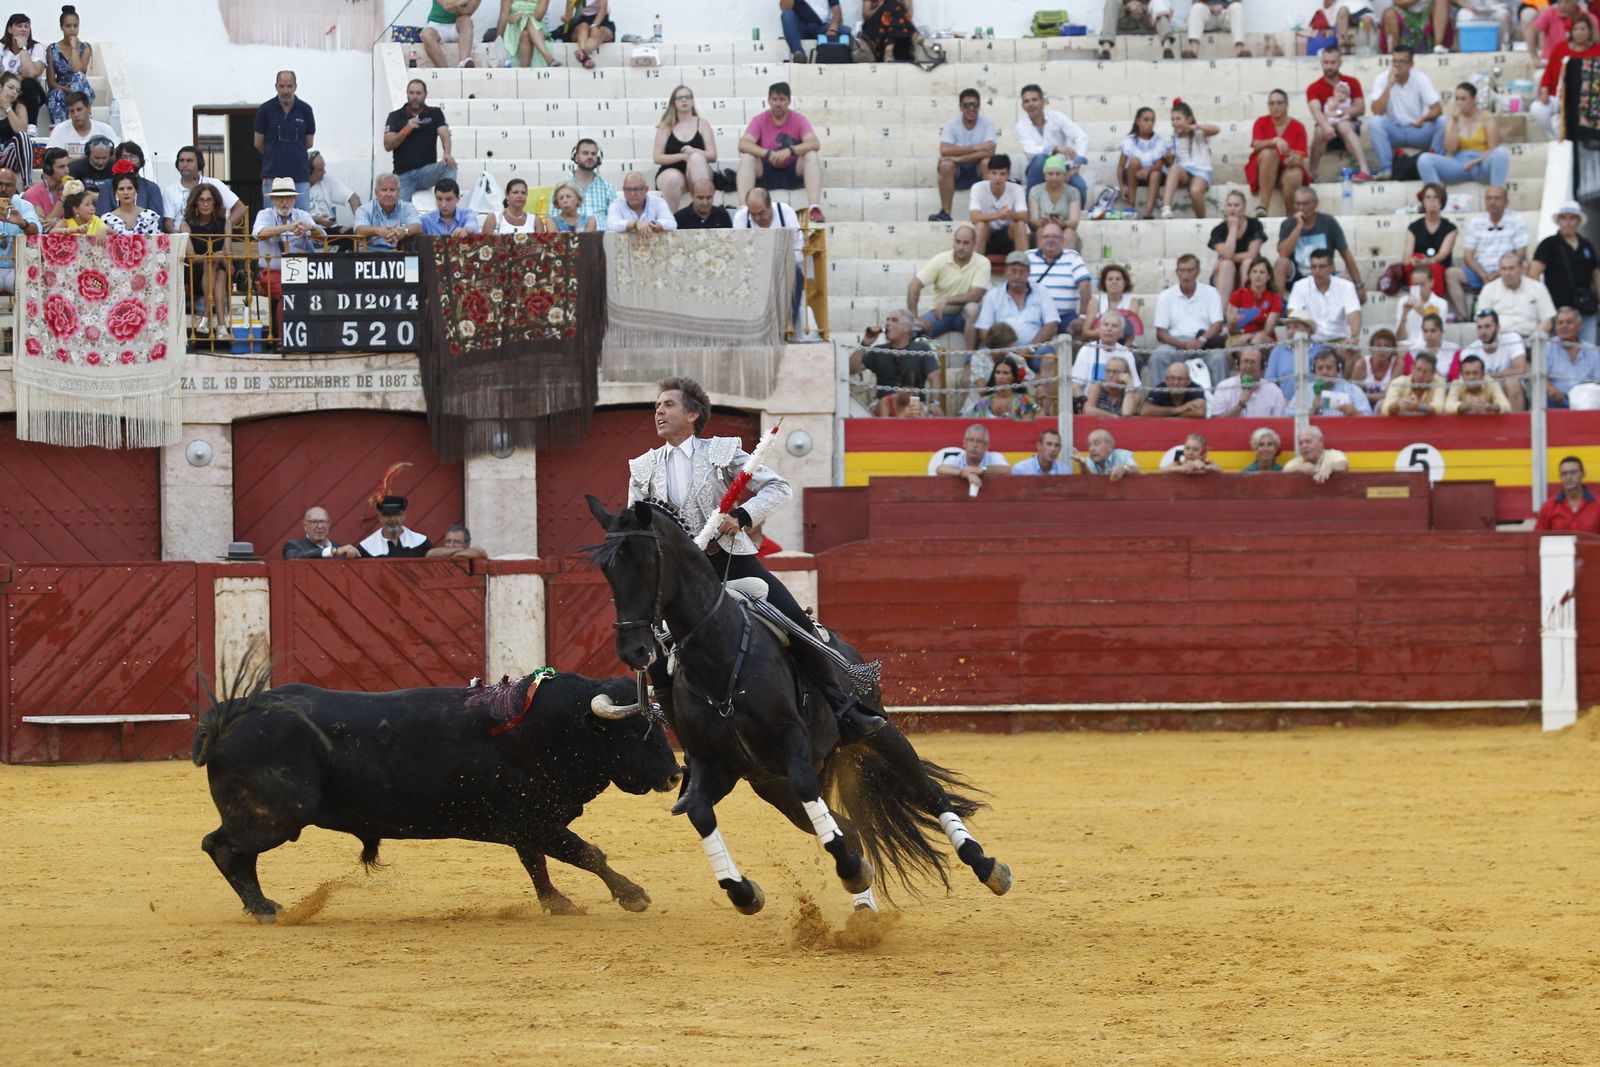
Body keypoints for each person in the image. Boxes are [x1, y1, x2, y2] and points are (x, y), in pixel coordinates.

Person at [631, 376, 887, 741]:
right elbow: (635, 524)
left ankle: (841, 706)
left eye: (668, 404)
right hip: (678, 581)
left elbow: (778, 487)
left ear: (692, 414)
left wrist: (742, 516)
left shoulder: (720, 452)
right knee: (651, 649)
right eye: (656, 405)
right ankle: (688, 739)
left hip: (728, 563)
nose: (659, 411)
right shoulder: (644, 467)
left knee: (796, 624)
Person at [736, 82, 823, 223]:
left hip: (792, 170)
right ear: (769, 100)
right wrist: (767, 154)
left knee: (811, 155)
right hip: (766, 169)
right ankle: (743, 209)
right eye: (774, 99)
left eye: (782, 99)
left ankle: (814, 207)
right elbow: (743, 144)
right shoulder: (759, 120)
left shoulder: (799, 119)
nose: (778, 104)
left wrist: (790, 150)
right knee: (747, 157)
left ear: (789, 101)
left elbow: (814, 143)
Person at [252, 176, 325, 339]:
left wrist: (311, 228)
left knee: (321, 290)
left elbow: (323, 238)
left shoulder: (302, 215)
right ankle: (284, 339)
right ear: (272, 199)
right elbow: (260, 233)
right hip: (271, 272)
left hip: (299, 272)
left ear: (294, 199)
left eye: (288, 197)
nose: (284, 202)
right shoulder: (264, 214)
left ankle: (317, 337)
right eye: (280, 198)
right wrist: (288, 228)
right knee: (288, 292)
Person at [1448, 185, 1529, 323]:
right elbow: (1468, 256)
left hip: (1507, 270)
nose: (1493, 202)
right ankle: (1464, 316)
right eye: (1489, 198)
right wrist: (1483, 275)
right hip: (1481, 272)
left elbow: (1520, 254)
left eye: (1497, 198)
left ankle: (1520, 312)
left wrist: (1500, 272)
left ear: (1506, 201)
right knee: (1451, 273)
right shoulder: (1476, 221)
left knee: (1526, 266)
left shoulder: (1517, 220)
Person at [1148, 253, 1226, 389]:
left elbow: (1218, 325)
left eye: (1190, 270)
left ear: (1198, 271)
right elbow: (1161, 333)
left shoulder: (1211, 292)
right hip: (1175, 344)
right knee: (1158, 356)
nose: (1185, 275)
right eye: (1182, 270)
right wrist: (1183, 344)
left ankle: (1221, 399)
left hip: (1204, 342)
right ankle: (1159, 398)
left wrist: (1201, 340)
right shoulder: (1166, 296)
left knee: (1219, 357)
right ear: (1177, 272)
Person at [1367, 46, 1443, 181]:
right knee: (1374, 123)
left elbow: (1437, 109)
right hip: (1395, 130)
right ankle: (1387, 169)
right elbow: (1377, 111)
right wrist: (1389, 85)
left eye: (1402, 62)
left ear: (1411, 64)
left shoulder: (1420, 78)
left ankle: (1434, 165)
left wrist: (1424, 119)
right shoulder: (1382, 78)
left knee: (1444, 121)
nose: (1397, 65)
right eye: (1394, 61)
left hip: (1418, 129)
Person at [1529, 200, 1600, 343]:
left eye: (1572, 218)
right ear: (1559, 221)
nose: (1568, 222)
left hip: (1585, 309)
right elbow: (1533, 275)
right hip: (1558, 310)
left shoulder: (1586, 245)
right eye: (1564, 218)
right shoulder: (1548, 244)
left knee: (1587, 348)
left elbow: (1596, 275)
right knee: (1559, 349)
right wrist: (1545, 305)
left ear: (1578, 222)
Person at [733, 187, 805, 326]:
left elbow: (797, 250)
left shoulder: (785, 212)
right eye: (753, 214)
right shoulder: (741, 217)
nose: (757, 218)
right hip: (753, 270)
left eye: (762, 213)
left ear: (770, 206)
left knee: (796, 274)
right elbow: (740, 252)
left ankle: (788, 325)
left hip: (783, 266)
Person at [975, 251, 1059, 368]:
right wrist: (1002, 350)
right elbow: (984, 330)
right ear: (1006, 271)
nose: (1017, 276)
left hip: (1034, 350)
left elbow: (1052, 325)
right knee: (975, 357)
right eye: (1013, 271)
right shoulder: (993, 295)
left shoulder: (1042, 291)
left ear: (1028, 273)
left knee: (1048, 356)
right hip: (1000, 351)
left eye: (1021, 272)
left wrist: (1029, 348)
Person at [1418, 83, 1510, 189]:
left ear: (1474, 99)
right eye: (1457, 99)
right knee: (1424, 159)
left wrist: (1474, 162)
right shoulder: (1452, 119)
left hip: (1481, 164)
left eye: (1463, 99)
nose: (1459, 103)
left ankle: (1497, 192)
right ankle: (1436, 196)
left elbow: (1493, 149)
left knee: (1502, 152)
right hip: (1459, 164)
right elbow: (1451, 149)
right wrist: (1455, 122)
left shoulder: (1487, 117)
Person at [849, 308, 939, 416]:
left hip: (913, 403)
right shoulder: (878, 350)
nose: (888, 323)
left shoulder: (922, 348)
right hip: (884, 405)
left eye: (894, 320)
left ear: (906, 327)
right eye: (887, 320)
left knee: (917, 410)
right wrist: (865, 344)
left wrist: (934, 403)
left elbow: (934, 378)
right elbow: (851, 369)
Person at [1275, 186, 1363, 297]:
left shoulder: (1328, 222)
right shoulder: (1288, 224)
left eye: (1305, 204)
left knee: (1347, 280)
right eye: (1298, 204)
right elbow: (1283, 253)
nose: (1301, 208)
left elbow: (1346, 254)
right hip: (1298, 276)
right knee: (1281, 263)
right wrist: (1298, 226)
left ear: (1315, 204)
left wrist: (1359, 285)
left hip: (1325, 273)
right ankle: (1276, 304)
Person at [908, 224, 987, 347]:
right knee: (912, 333)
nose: (961, 247)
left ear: (974, 245)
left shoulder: (982, 262)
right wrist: (914, 318)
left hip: (964, 316)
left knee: (973, 309)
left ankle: (970, 357)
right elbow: (914, 285)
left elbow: (976, 295)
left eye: (966, 243)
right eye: (958, 242)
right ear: (953, 242)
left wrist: (946, 300)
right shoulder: (940, 259)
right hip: (941, 314)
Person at [933, 88, 997, 223]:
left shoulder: (988, 124)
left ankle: (988, 212)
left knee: (987, 162)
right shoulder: (951, 124)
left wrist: (958, 157)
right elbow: (944, 150)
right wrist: (975, 147)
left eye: (974, 105)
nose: (971, 109)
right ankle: (945, 213)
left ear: (979, 106)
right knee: (945, 165)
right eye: (967, 105)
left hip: (978, 171)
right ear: (960, 107)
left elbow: (989, 152)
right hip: (958, 172)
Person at [386, 79, 456, 202]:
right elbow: (388, 145)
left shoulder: (435, 113)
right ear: (407, 94)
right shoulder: (395, 116)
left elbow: (445, 135)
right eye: (411, 93)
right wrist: (406, 129)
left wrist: (447, 154)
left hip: (426, 173)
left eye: (418, 93)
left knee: (450, 165)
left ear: (425, 94)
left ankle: (447, 205)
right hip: (403, 176)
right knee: (398, 210)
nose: (414, 97)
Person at [1014, 84, 1089, 199]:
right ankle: (1031, 206)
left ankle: (1077, 211)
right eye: (1026, 101)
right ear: (1023, 106)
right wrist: (1055, 149)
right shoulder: (1021, 125)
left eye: (1034, 100)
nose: (1031, 104)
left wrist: (1077, 164)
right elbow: (1029, 149)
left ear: (1043, 102)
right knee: (1041, 158)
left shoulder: (1057, 117)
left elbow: (1081, 136)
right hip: (1037, 169)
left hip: (1062, 166)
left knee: (1079, 186)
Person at [1531, 14, 1600, 139]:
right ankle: (1555, 139)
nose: (1579, 33)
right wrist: (1544, 90)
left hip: (1588, 99)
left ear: (1589, 31)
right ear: (1571, 32)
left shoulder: (1597, 50)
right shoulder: (1560, 48)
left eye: (1583, 29)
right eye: (1576, 29)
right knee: (1537, 108)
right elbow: (1548, 73)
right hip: (1559, 97)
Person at [254, 71, 315, 211]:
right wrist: (275, 153)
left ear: (295, 87)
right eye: (282, 86)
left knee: (302, 218)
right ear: (276, 86)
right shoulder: (265, 110)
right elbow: (258, 142)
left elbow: (309, 142)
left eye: (289, 86)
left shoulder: (305, 110)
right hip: (272, 176)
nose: (285, 91)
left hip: (299, 175)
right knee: (272, 217)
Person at [1306, 47, 1370, 180]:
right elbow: (1315, 111)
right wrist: (1326, 126)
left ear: (1340, 63)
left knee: (1343, 126)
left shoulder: (1352, 82)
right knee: (1320, 130)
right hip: (1327, 131)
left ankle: (1365, 170)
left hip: (1348, 128)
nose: (1329, 66)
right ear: (1321, 63)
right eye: (1326, 62)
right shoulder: (1314, 87)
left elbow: (1360, 108)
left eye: (1333, 62)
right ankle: (1311, 173)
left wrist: (1337, 113)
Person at [652, 84, 717, 213]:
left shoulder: (702, 123)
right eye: (680, 98)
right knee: (673, 178)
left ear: (692, 101)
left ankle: (703, 214)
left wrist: (694, 152)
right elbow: (657, 157)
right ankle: (670, 219)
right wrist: (682, 156)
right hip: (670, 171)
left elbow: (712, 155)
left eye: (687, 97)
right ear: (674, 103)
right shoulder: (665, 126)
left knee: (696, 158)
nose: (684, 100)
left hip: (698, 170)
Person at [181, 182, 233, 342]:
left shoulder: (225, 223)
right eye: (201, 200)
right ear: (195, 202)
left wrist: (218, 257)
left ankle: (206, 316)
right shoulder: (186, 225)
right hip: (195, 274)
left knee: (219, 270)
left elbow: (228, 255)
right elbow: (191, 257)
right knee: (211, 264)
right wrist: (212, 256)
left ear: (215, 202)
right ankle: (222, 326)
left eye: (209, 200)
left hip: (223, 268)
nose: (205, 204)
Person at [1246, 89, 1308, 218]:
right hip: (1264, 168)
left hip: (1286, 170)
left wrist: (1293, 159)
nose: (1275, 106)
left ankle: (1291, 216)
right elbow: (1256, 145)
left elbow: (1301, 156)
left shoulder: (1298, 127)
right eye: (1272, 103)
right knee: (1269, 154)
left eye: (1279, 103)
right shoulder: (1261, 122)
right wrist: (1275, 141)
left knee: (1295, 173)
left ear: (1287, 105)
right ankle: (1263, 206)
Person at [1027, 220, 1091, 340]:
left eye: (1055, 237)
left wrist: (1082, 317)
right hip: (1035, 316)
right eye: (1046, 236)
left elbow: (1085, 285)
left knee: (1079, 333)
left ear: (1062, 241)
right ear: (1040, 240)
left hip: (1065, 316)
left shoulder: (1072, 257)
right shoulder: (1028, 256)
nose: (1050, 240)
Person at [1289, 247, 1362, 349]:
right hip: (1310, 343)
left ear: (1331, 268)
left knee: (1354, 354)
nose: (1317, 271)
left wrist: (1354, 336)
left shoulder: (1346, 286)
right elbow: (1292, 315)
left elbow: (1354, 313)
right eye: (1314, 267)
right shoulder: (1300, 286)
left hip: (1339, 343)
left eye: (1322, 266)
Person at [163, 145, 245, 231]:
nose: (185, 164)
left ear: (199, 163)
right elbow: (168, 224)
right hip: (182, 237)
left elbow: (240, 208)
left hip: (213, 237)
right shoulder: (169, 191)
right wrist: (180, 237)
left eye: (189, 161)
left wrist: (225, 229)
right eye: (181, 161)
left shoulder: (215, 184)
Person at [1477, 252, 1556, 339]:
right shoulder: (1488, 290)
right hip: (1500, 340)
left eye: (1511, 268)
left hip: (1531, 339)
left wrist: (1534, 338)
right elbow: (1482, 320)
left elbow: (1547, 319)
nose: (1507, 273)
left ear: (1521, 269)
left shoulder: (1538, 287)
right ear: (1499, 271)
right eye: (1503, 269)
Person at [1459, 308, 1527, 409]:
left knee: (1512, 383)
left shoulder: (1513, 339)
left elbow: (1520, 370)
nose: (1483, 331)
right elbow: (1467, 380)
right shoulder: (1469, 351)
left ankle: (1515, 419)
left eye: (1487, 326)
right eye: (1479, 327)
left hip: (1507, 390)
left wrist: (1490, 376)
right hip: (1484, 393)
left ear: (1498, 327)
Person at [1160, 100, 1217, 219]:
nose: (1174, 122)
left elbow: (1216, 129)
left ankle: (1201, 221)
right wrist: (1167, 159)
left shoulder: (1199, 133)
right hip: (1184, 172)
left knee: (1195, 191)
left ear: (1189, 119)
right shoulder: (1173, 138)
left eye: (1178, 119)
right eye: (1172, 119)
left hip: (1201, 172)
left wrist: (1194, 127)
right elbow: (1170, 163)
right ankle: (1166, 207)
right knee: (1174, 168)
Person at [93, 142, 168, 227]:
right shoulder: (107, 186)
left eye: (133, 157)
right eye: (124, 157)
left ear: (142, 162)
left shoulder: (152, 188)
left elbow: (157, 221)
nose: (128, 160)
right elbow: (102, 219)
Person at [967, 153, 1027, 257]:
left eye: (1002, 174)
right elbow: (974, 217)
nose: (997, 178)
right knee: (980, 226)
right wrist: (998, 215)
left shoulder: (1017, 189)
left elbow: (1025, 216)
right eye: (994, 173)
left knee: (1020, 225)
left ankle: (1024, 264)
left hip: (1009, 237)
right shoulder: (978, 188)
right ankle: (975, 265)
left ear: (1008, 175)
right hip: (986, 237)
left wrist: (1010, 214)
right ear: (988, 174)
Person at [1210, 189, 1267, 298]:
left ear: (1244, 207)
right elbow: (1227, 254)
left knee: (1247, 262)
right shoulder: (1218, 230)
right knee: (1226, 265)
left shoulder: (1255, 225)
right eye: (1229, 205)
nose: (1232, 209)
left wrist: (1225, 259)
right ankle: (1222, 308)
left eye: (1236, 205)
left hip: (1250, 270)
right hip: (1224, 273)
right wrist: (1233, 229)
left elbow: (1252, 254)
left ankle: (1247, 303)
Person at [44, 4, 90, 125]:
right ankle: (60, 128)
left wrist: (74, 48)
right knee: (56, 94)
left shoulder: (85, 48)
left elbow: (79, 71)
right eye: (68, 26)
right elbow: (51, 82)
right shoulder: (52, 49)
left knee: (78, 78)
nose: (72, 29)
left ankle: (83, 122)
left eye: (75, 25)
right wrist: (66, 89)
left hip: (80, 88)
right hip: (61, 88)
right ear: (61, 27)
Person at [1545, 306, 1600, 407]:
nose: (1564, 326)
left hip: (1585, 401)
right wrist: (1551, 389)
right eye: (1560, 323)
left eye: (1569, 322)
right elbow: (1539, 379)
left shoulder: (1592, 350)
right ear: (1555, 327)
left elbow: (1597, 381)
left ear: (1579, 326)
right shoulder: (1547, 347)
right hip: (1557, 400)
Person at [1210, 347, 1288, 418]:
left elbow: (1280, 423)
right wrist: (1240, 406)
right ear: (1238, 364)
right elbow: (1217, 423)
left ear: (1261, 366)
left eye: (1253, 362)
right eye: (1245, 361)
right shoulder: (1223, 387)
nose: (1248, 366)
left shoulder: (1274, 392)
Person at [1118, 106, 1167, 220]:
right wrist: (1121, 187)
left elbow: (1159, 165)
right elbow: (1120, 166)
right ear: (1138, 121)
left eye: (1152, 120)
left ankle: (1148, 211)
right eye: (1146, 120)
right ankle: (1131, 204)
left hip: (1152, 176)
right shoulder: (1129, 140)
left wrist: (1148, 169)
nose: (1150, 123)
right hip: (1133, 175)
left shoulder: (1158, 141)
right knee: (1134, 161)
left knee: (1155, 174)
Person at [1072, 313, 1137, 397]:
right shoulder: (1087, 350)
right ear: (1099, 329)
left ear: (1121, 333)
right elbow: (1076, 386)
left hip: (1119, 401)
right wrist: (1083, 402)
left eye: (1114, 326)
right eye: (1106, 325)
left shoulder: (1126, 353)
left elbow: (1135, 387)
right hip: (1088, 400)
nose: (1109, 329)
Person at [354, 173, 423, 250]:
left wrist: (404, 231)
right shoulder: (364, 209)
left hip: (400, 253)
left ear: (398, 192)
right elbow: (359, 229)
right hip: (370, 254)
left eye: (392, 190)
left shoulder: (408, 207)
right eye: (384, 190)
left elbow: (418, 226)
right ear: (376, 193)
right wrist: (378, 230)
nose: (388, 194)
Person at [1403, 182, 1456, 284]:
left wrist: (1429, 261)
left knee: (1433, 268)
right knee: (1415, 261)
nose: (1432, 200)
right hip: (1417, 267)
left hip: (1438, 267)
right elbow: (1406, 257)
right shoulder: (1413, 227)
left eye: (1436, 197)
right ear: (1423, 201)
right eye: (1428, 197)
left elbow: (1443, 254)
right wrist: (1414, 260)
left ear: (1442, 201)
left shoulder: (1450, 228)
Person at [1297, 346, 1373, 416]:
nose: (1324, 372)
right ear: (1314, 371)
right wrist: (1312, 410)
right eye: (1320, 368)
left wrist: (1354, 412)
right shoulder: (1304, 392)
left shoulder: (1353, 390)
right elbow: (1290, 417)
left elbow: (1369, 420)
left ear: (1337, 369)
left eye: (1329, 367)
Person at [1533, 455, 1600, 532]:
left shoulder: (1598, 505)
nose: (1569, 477)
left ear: (1583, 474)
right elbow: (1538, 537)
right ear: (1560, 477)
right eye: (1564, 473)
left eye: (1573, 472)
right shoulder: (1549, 507)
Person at [1028, 156, 1082, 250]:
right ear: (1045, 176)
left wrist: (1063, 223)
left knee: (1069, 232)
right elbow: (1033, 220)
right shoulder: (1035, 191)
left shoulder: (1073, 192)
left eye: (1058, 174)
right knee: (1041, 232)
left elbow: (1074, 221)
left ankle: (1065, 259)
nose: (1054, 177)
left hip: (1064, 229)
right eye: (1050, 174)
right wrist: (1042, 222)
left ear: (1064, 176)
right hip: (1042, 228)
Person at [1227, 257, 1282, 349]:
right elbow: (1232, 332)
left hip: (1264, 339)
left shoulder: (1275, 298)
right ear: (1249, 275)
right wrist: (1232, 324)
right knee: (1234, 342)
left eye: (1262, 272)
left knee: (1257, 339)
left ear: (1268, 276)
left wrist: (1249, 336)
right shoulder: (1238, 295)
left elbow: (1267, 331)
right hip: (1241, 336)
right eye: (1254, 271)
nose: (1258, 275)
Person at [0, 13, 45, 124]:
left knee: (28, 82)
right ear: (10, 29)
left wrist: (23, 48)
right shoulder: (1, 47)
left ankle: (31, 126)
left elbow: (30, 74)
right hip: (3, 88)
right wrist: (16, 78)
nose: (23, 29)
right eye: (19, 26)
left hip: (27, 91)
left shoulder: (36, 48)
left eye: (26, 26)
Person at [0, 166, 39, 293]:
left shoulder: (24, 206)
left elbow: (35, 230)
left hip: (18, 268)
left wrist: (23, 224)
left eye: (8, 185)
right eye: (0, 184)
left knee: (29, 284)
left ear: (15, 188)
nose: (3, 189)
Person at [359, 494, 435, 558]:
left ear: (404, 516)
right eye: (387, 515)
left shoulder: (420, 542)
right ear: (380, 517)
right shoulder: (366, 548)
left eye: (397, 514)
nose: (392, 519)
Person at [1097, 0, 1176, 61]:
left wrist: (1142, 7)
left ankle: (1167, 49)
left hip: (1147, 18)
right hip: (1126, 18)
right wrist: (1128, 6)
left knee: (1159, 4)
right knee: (1111, 2)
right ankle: (1106, 50)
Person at [936, 423, 1012, 487]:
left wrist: (982, 470)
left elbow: (1007, 470)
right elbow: (940, 469)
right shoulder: (955, 459)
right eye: (971, 440)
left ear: (986, 446)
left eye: (979, 441)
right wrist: (964, 473)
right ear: (964, 443)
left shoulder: (994, 457)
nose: (974, 445)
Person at [1350, 327, 1409, 408]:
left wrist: (1366, 396)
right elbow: (1354, 393)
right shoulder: (1361, 364)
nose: (1382, 350)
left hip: (1385, 406)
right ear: (1372, 348)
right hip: (1362, 404)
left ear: (1392, 350)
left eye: (1386, 346)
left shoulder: (1397, 364)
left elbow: (1391, 393)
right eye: (1378, 345)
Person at [606, 170, 677, 237]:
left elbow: (672, 223)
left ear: (646, 190)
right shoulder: (616, 204)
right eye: (628, 189)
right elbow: (611, 226)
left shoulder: (658, 202)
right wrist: (635, 224)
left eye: (636, 189)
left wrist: (650, 225)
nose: (632, 193)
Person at [43, 90, 108, 159]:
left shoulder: (105, 129)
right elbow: (50, 159)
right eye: (72, 111)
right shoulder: (59, 130)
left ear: (89, 108)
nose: (76, 114)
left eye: (79, 110)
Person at [306, 151, 359, 237]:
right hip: (308, 232)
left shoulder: (327, 179)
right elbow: (293, 216)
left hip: (331, 230)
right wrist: (318, 220)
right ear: (308, 171)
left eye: (324, 168)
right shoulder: (297, 186)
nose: (324, 172)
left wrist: (359, 222)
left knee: (355, 235)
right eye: (320, 170)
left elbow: (353, 198)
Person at [496, 0, 561, 68]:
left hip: (535, 27)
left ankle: (524, 70)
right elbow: (504, 16)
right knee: (526, 28)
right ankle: (548, 58)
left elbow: (539, 16)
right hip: (514, 28)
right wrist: (498, 39)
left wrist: (522, 16)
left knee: (526, 33)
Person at [1090, 262, 1144, 343]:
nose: (1114, 282)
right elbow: (1086, 332)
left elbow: (1131, 333)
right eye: (1110, 279)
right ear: (1104, 282)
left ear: (1125, 282)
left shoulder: (1133, 302)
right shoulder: (1095, 300)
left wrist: (1123, 349)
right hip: (1099, 345)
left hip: (1125, 345)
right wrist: (1107, 334)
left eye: (1118, 279)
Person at [1380, 350, 1447, 415]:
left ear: (1433, 373)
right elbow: (1385, 409)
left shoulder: (1439, 382)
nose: (1421, 375)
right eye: (1418, 369)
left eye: (1426, 371)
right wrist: (1397, 404)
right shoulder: (1398, 382)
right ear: (1412, 368)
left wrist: (1419, 407)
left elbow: (1439, 408)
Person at [970, 359, 1038, 420]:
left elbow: (1027, 426)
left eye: (1006, 373)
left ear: (1013, 377)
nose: (1001, 376)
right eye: (998, 372)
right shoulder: (983, 403)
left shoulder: (1025, 401)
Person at [568, 137, 615, 222]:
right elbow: (553, 218)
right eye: (585, 153)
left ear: (598, 158)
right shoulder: (563, 185)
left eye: (593, 154)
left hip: (601, 230)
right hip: (574, 230)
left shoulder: (607, 187)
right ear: (576, 157)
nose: (590, 157)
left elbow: (615, 218)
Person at [1445, 354, 1513, 414]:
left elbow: (1506, 406)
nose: (1471, 377)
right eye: (1467, 373)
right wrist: (1466, 406)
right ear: (1462, 375)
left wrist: (1487, 406)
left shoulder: (1491, 382)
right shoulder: (1457, 384)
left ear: (1483, 374)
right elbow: (1448, 406)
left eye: (1475, 373)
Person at [422, 0, 481, 68]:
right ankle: (445, 70)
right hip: (437, 25)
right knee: (427, 35)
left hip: (458, 25)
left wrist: (454, 7)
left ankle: (463, 63)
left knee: (467, 21)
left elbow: (469, 11)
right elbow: (447, 4)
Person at [1283, 424, 1349, 483]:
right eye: (1300, 443)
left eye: (1308, 441)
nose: (1304, 446)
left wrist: (1330, 468)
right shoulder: (1296, 461)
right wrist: (1299, 468)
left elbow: (1343, 464)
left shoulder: (1333, 454)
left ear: (1321, 441)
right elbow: (1283, 474)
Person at [1182, 0, 1247, 58]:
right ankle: (1193, 51)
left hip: (1225, 13)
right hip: (1208, 13)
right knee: (1197, 7)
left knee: (1237, 7)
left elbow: (1237, 1)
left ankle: (1240, 51)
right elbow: (1196, 1)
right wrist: (1212, 8)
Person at [283, 507, 355, 559]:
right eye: (314, 522)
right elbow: (293, 557)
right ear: (305, 525)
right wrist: (333, 552)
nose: (320, 526)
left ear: (329, 524)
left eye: (323, 522)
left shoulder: (337, 547)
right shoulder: (293, 545)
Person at [1084, 353, 1143, 417]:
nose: (1110, 375)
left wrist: (1129, 384)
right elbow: (1088, 410)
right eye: (1108, 371)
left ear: (1125, 374)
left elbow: (1127, 413)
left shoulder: (1133, 393)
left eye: (1115, 372)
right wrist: (1114, 417)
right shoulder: (1098, 387)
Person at [1141, 361, 1207, 418]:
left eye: (1180, 379)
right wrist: (1182, 408)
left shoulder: (1195, 389)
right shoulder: (1159, 389)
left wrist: (1165, 413)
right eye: (1172, 378)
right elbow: (1145, 411)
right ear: (1166, 380)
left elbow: (1200, 412)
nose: (1176, 382)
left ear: (1188, 381)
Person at [566, 0, 616, 70]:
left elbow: (603, 8)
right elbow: (569, 12)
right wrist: (566, 18)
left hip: (601, 19)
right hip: (582, 20)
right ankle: (584, 57)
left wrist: (594, 25)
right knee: (583, 26)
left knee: (600, 31)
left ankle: (583, 54)